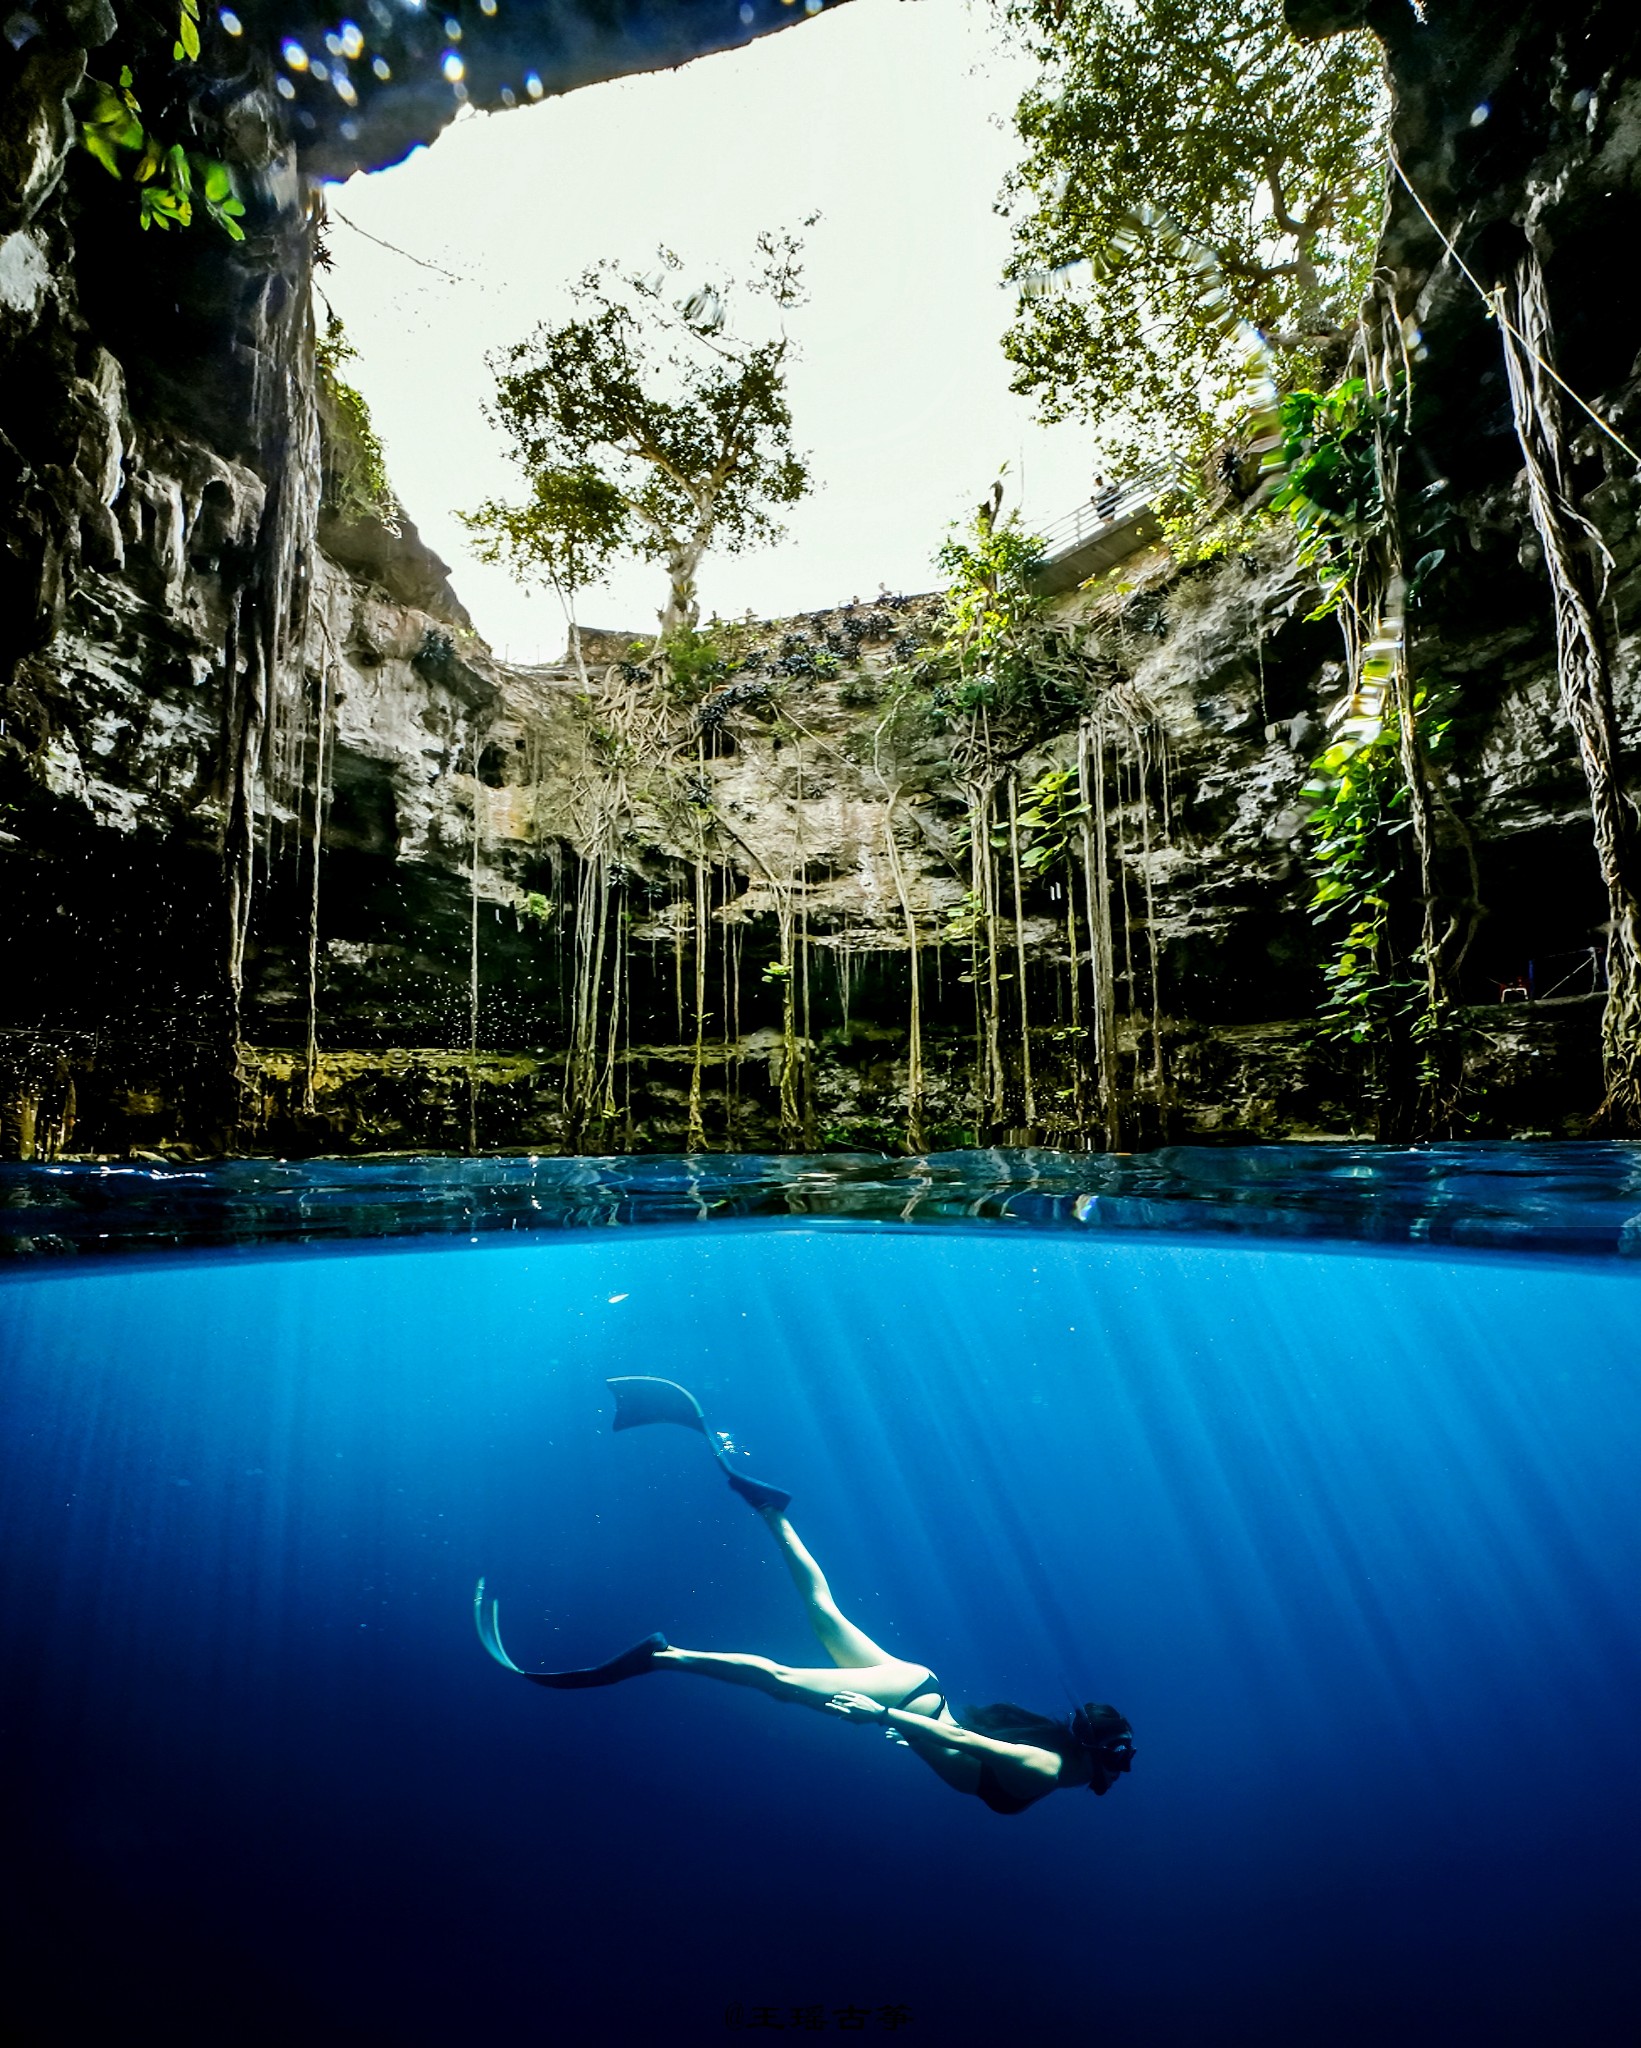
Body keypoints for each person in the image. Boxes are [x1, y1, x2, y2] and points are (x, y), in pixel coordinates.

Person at [475, 1378, 1135, 1817]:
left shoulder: (1066, 1760)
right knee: (783, 1681)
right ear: (1089, 1752)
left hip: (917, 1688)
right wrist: (882, 1720)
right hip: (908, 1701)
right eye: (1113, 1757)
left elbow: (957, 1740)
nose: (1117, 1766)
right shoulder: (1048, 1766)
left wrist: (911, 1728)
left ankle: (771, 1512)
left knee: (825, 1615)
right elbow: (964, 1745)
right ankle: (665, 1655)